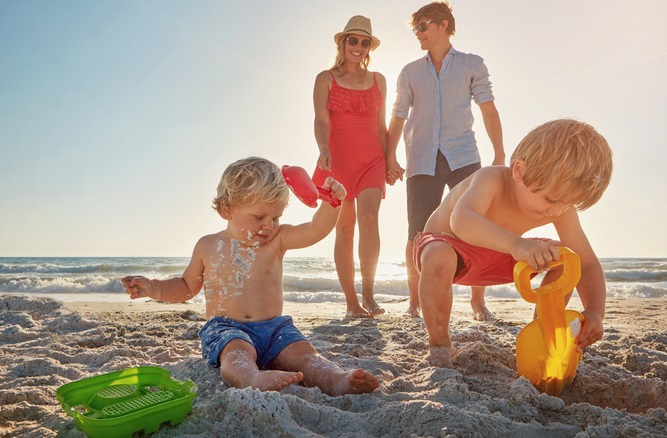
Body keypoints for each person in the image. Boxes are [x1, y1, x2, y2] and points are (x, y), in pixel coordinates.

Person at [122, 157, 380, 395]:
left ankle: (335, 378)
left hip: (275, 327)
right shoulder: (208, 246)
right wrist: (153, 288)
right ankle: (251, 379)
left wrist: (331, 204)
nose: (268, 225)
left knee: (305, 354)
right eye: (259, 217)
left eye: (276, 217)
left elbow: (315, 230)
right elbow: (186, 286)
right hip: (227, 328)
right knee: (236, 355)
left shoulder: (277, 240)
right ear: (226, 210)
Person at [412, 119, 613, 367]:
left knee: (566, 257)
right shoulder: (491, 179)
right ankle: (440, 345)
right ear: (520, 171)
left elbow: (587, 261)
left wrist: (595, 311)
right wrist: (518, 245)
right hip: (453, 249)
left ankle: (542, 331)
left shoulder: (559, 208)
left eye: (567, 204)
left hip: (501, 256)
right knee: (438, 254)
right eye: (551, 199)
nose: (558, 211)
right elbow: (461, 221)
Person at [385, 2, 505, 321]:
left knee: (478, 226)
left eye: (422, 27)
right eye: (415, 29)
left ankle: (478, 303)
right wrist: (389, 155)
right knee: (417, 232)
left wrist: (499, 154)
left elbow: (488, 109)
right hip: (421, 158)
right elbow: (397, 117)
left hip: (464, 156)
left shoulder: (472, 64)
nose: (418, 34)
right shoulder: (409, 72)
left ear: (442, 25)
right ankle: (415, 302)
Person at [312, 15, 388, 318]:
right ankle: (352, 302)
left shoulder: (379, 80)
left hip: (372, 159)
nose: (358, 46)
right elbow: (320, 119)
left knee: (369, 221)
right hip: (337, 159)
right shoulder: (325, 78)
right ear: (343, 42)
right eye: (352, 40)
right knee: (344, 229)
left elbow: (382, 127)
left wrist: (391, 158)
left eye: (364, 41)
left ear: (369, 47)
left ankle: (369, 294)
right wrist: (323, 148)